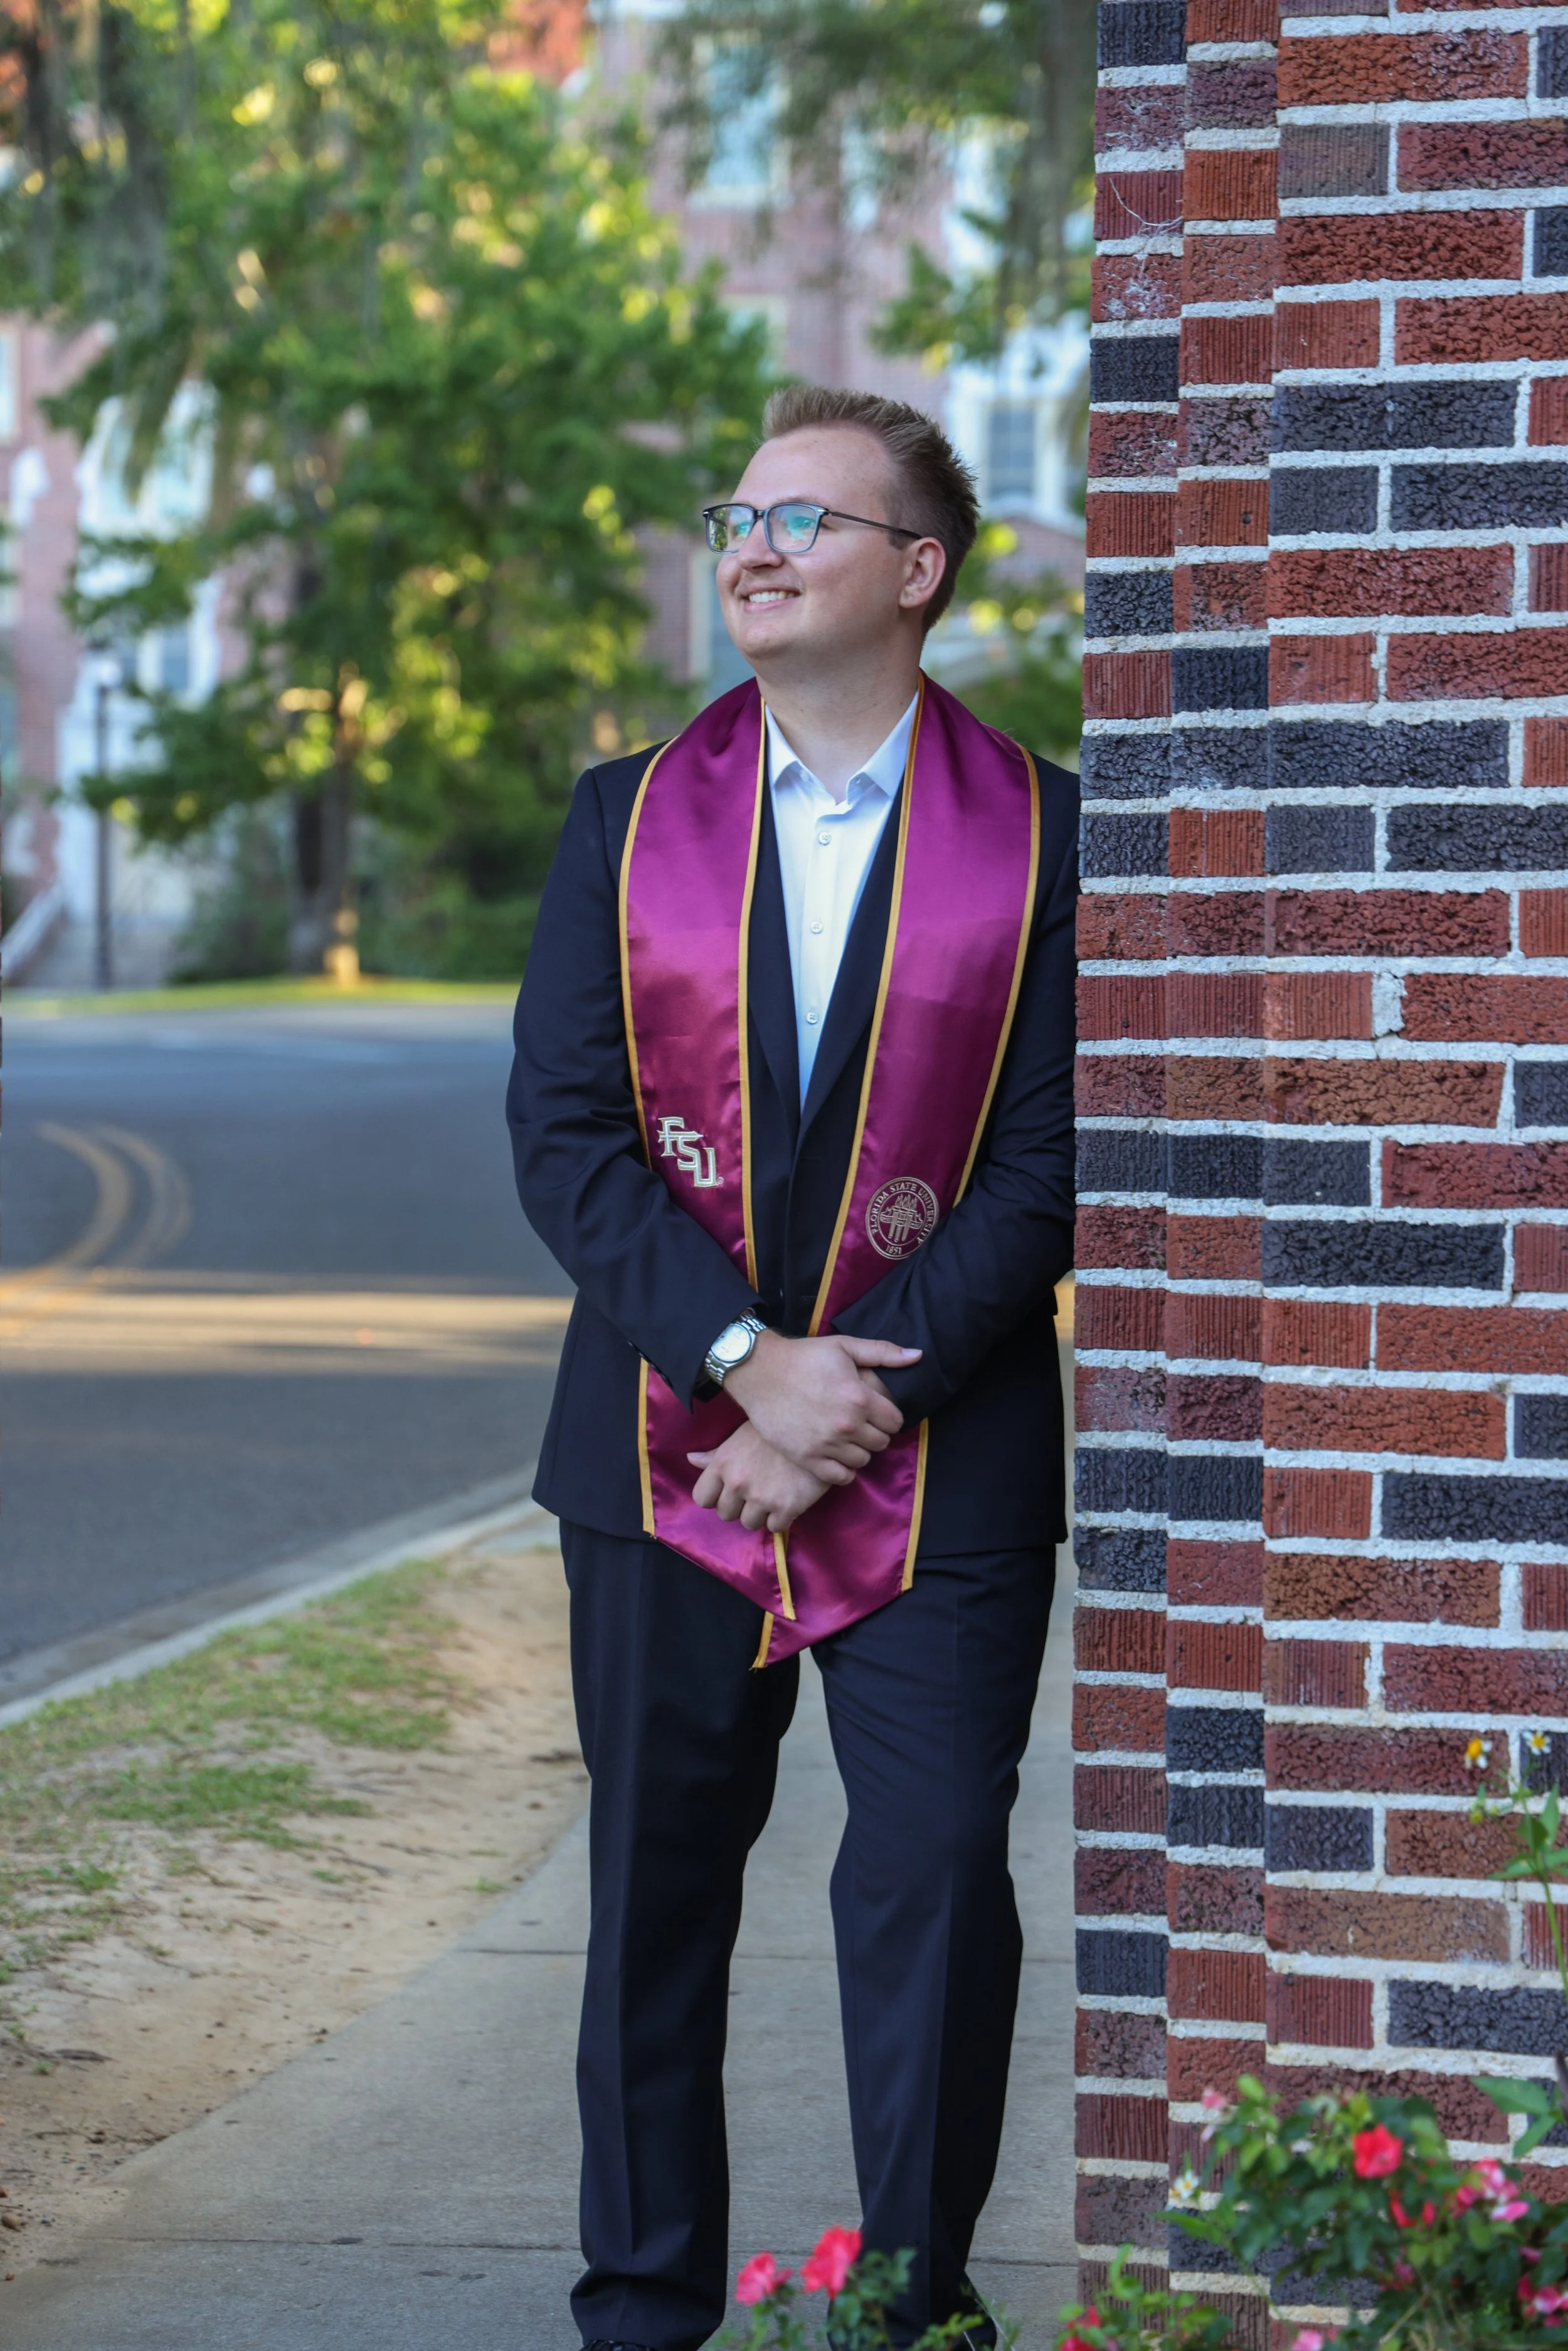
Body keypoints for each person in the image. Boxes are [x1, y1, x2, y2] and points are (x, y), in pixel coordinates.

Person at [507, 383, 1077, 2351]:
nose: (749, 543)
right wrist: (749, 1364)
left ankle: (912, 2307)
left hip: (942, 1473)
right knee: (654, 1913)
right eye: (736, 510)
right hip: (662, 1456)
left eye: (804, 519)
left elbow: (1046, 1160)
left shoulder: (1052, 841)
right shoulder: (624, 817)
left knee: (928, 1898)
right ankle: (642, 2317)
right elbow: (567, 1141)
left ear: (916, 573)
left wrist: (868, 1393)